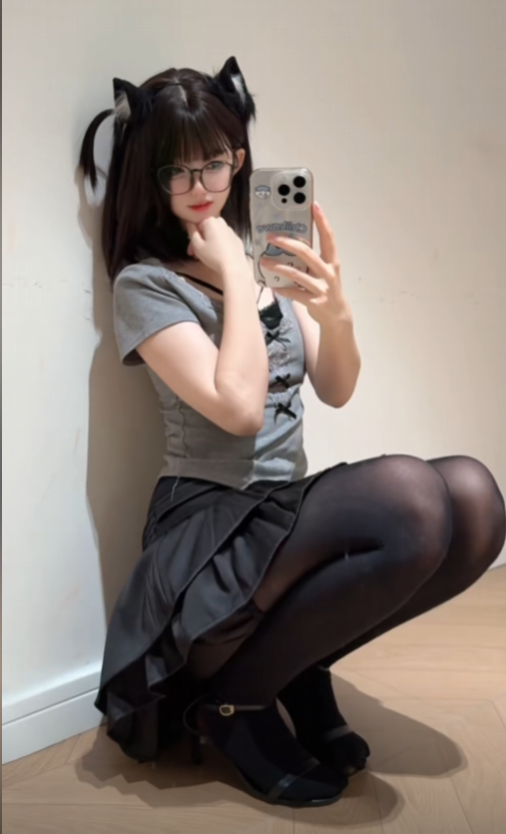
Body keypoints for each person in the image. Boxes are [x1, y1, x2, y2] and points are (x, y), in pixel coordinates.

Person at [79, 56, 506, 808]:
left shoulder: (259, 267)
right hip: (209, 535)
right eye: (178, 171)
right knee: (411, 495)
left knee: (473, 498)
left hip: (281, 520)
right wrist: (235, 277)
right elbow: (239, 408)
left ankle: (297, 669)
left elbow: (336, 387)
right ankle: (233, 705)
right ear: (151, 177)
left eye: (215, 162)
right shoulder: (146, 284)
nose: (202, 185)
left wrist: (334, 308)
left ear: (239, 159)